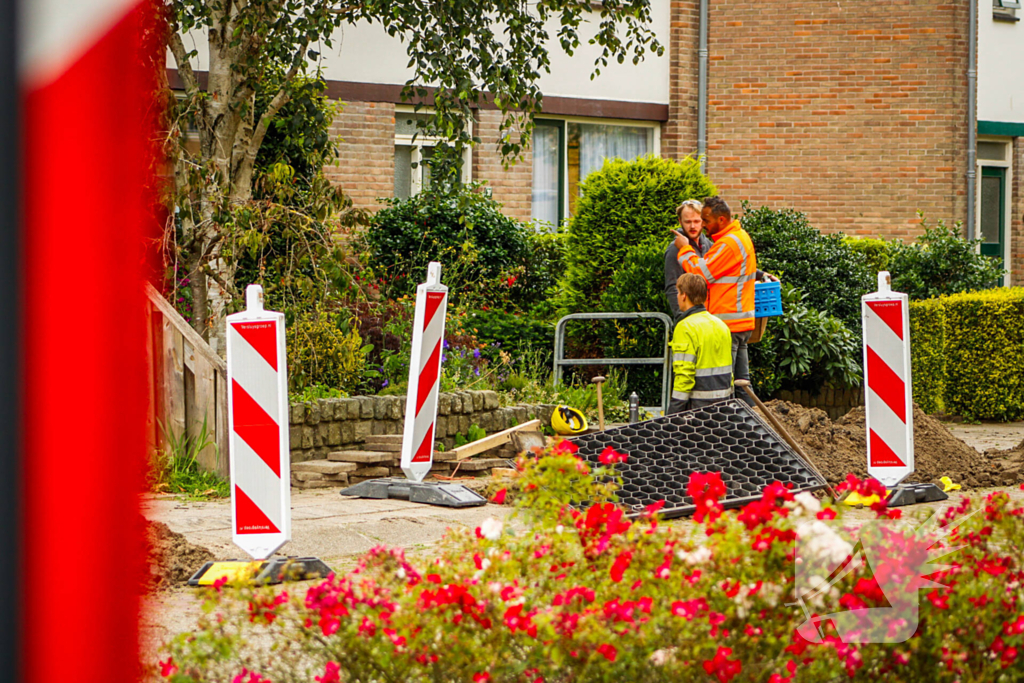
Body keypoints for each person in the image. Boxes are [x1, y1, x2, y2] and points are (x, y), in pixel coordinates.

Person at [673, 196, 759, 405]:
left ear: (721, 220)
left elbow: (701, 273)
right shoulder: (736, 238)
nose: (702, 225)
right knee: (742, 383)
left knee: (725, 386)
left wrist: (684, 249)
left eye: (705, 220)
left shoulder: (729, 243)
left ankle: (732, 429)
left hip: (727, 324)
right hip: (737, 323)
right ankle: (751, 428)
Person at [668, 273, 734, 414]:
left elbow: (684, 375)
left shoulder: (685, 327)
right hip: (725, 404)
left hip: (698, 407)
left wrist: (674, 412)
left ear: (684, 295)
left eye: (678, 293)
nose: (677, 297)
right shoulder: (721, 325)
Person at [665, 199, 713, 320]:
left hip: (709, 317)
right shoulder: (675, 250)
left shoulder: (708, 244)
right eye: (688, 222)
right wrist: (682, 318)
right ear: (680, 221)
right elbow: (672, 287)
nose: (692, 226)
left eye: (697, 221)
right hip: (689, 319)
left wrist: (759, 274)